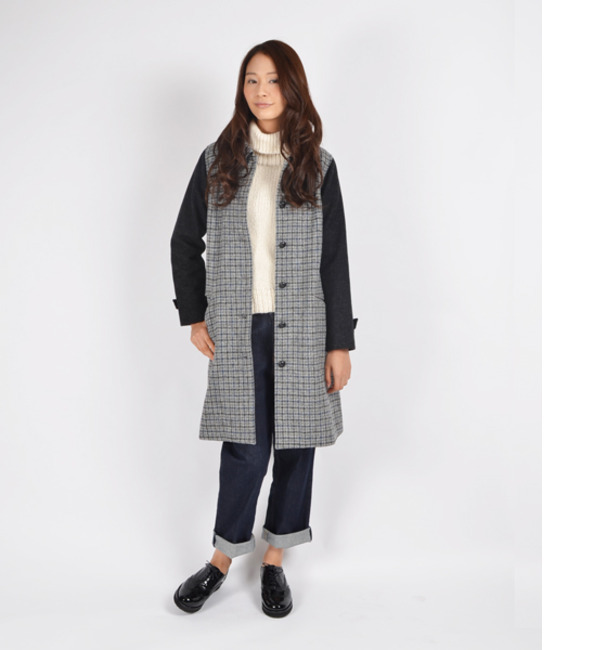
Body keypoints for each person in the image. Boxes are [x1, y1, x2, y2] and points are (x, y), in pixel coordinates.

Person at [170, 39, 358, 618]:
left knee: (297, 446)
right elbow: (184, 240)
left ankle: (274, 559)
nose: (261, 90)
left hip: (304, 329)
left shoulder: (318, 167)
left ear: (292, 87)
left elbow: (335, 260)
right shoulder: (217, 160)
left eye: (272, 79)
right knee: (245, 452)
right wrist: (194, 315)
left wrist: (339, 343)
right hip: (237, 328)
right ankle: (222, 558)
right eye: (251, 79)